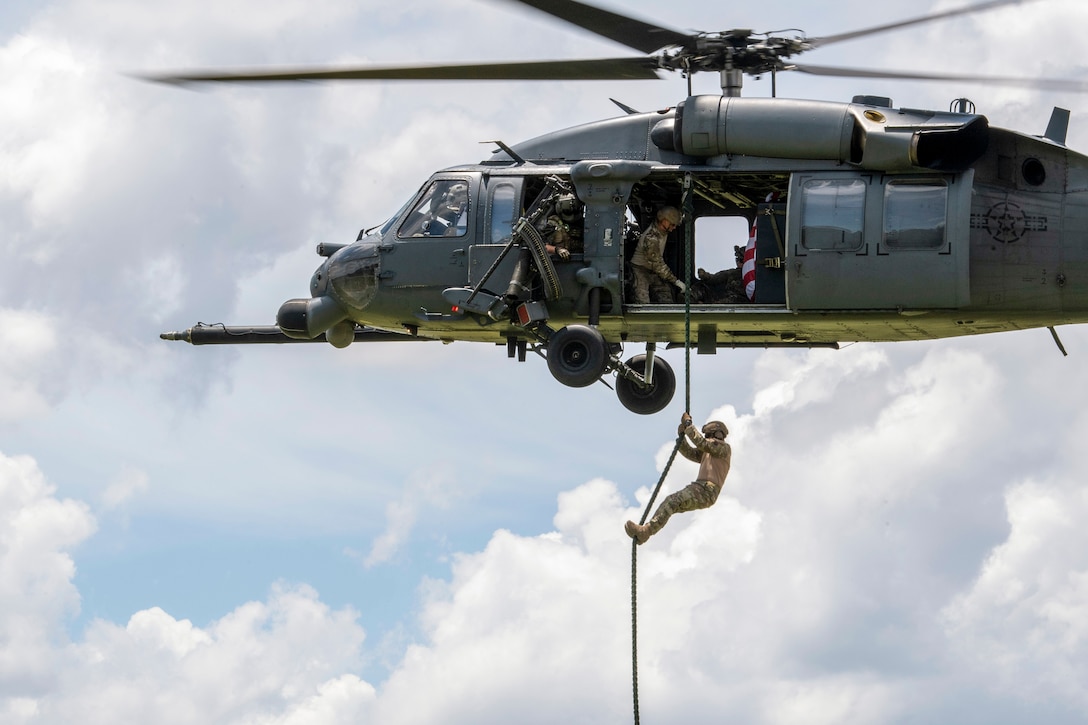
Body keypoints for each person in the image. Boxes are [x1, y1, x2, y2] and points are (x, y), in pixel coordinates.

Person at [624, 412, 732, 545]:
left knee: (672, 501)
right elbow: (691, 453)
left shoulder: (723, 448)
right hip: (701, 488)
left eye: (709, 435)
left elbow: (701, 443)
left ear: (717, 434)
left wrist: (688, 425)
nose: (707, 438)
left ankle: (646, 531)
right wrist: (682, 439)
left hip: (706, 490)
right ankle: (646, 532)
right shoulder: (709, 451)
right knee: (671, 503)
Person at [630, 206, 685, 303]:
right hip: (640, 269)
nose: (674, 227)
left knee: (666, 297)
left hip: (652, 270)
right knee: (642, 302)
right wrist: (676, 281)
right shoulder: (651, 238)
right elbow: (658, 264)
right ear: (664, 221)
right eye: (672, 224)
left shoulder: (663, 231)